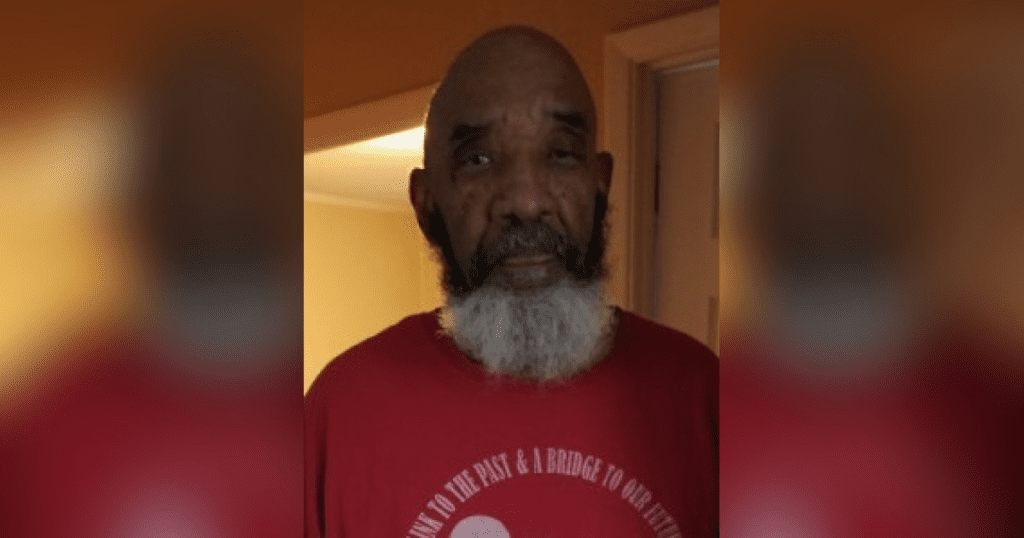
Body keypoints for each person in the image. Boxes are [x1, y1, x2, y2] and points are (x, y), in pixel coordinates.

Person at [305, 26, 718, 538]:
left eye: (561, 153)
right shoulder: (342, 411)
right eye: (478, 159)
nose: (526, 201)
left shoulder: (705, 398)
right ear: (426, 201)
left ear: (600, 184)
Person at [0, 29, 302, 538]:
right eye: (184, 153)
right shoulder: (40, 430)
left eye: (244, 148)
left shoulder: (344, 418)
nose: (215, 183)